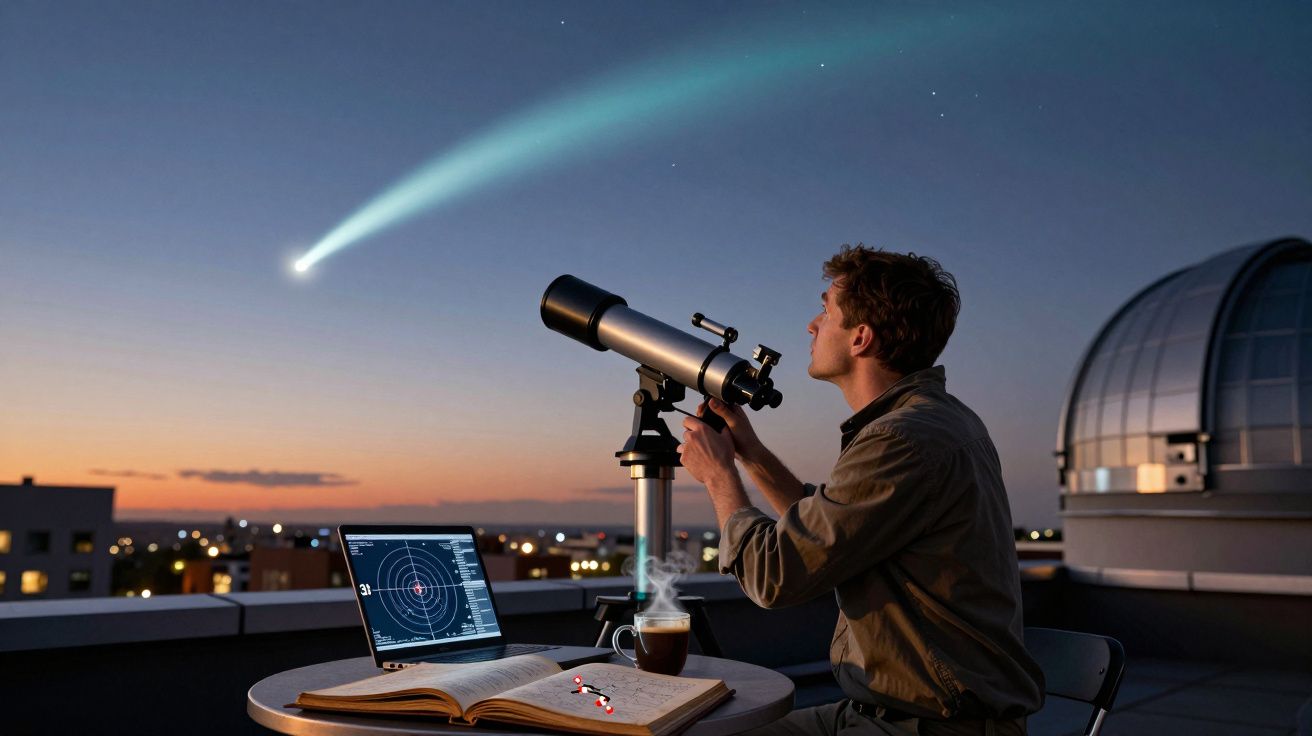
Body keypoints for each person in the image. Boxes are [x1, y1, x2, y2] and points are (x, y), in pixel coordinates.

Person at [678, 245, 1044, 736]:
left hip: (930, 725)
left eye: (826, 310)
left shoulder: (901, 440)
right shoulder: (933, 421)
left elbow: (775, 576)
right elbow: (831, 529)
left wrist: (720, 478)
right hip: (889, 712)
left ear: (861, 338)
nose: (812, 324)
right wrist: (752, 455)